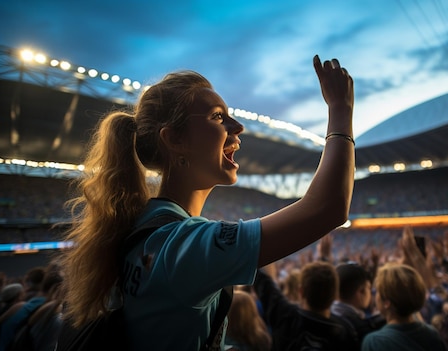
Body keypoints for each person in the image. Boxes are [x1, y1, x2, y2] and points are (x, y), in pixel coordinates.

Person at [56, 54, 355, 351]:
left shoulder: (142, 230)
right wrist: (340, 111)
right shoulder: (182, 247)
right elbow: (327, 207)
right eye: (217, 116)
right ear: (174, 139)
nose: (238, 127)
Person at [253, 261, 356, 351]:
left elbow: (264, 283)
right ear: (336, 295)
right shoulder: (345, 331)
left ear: (301, 291)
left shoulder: (286, 316)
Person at [361, 262, 446, 351]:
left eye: (377, 291)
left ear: (387, 302)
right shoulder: (433, 334)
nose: (375, 296)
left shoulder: (374, 342)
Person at [331, 262, 385, 346]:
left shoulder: (326, 316)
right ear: (361, 291)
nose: (370, 293)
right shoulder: (360, 329)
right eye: (369, 288)